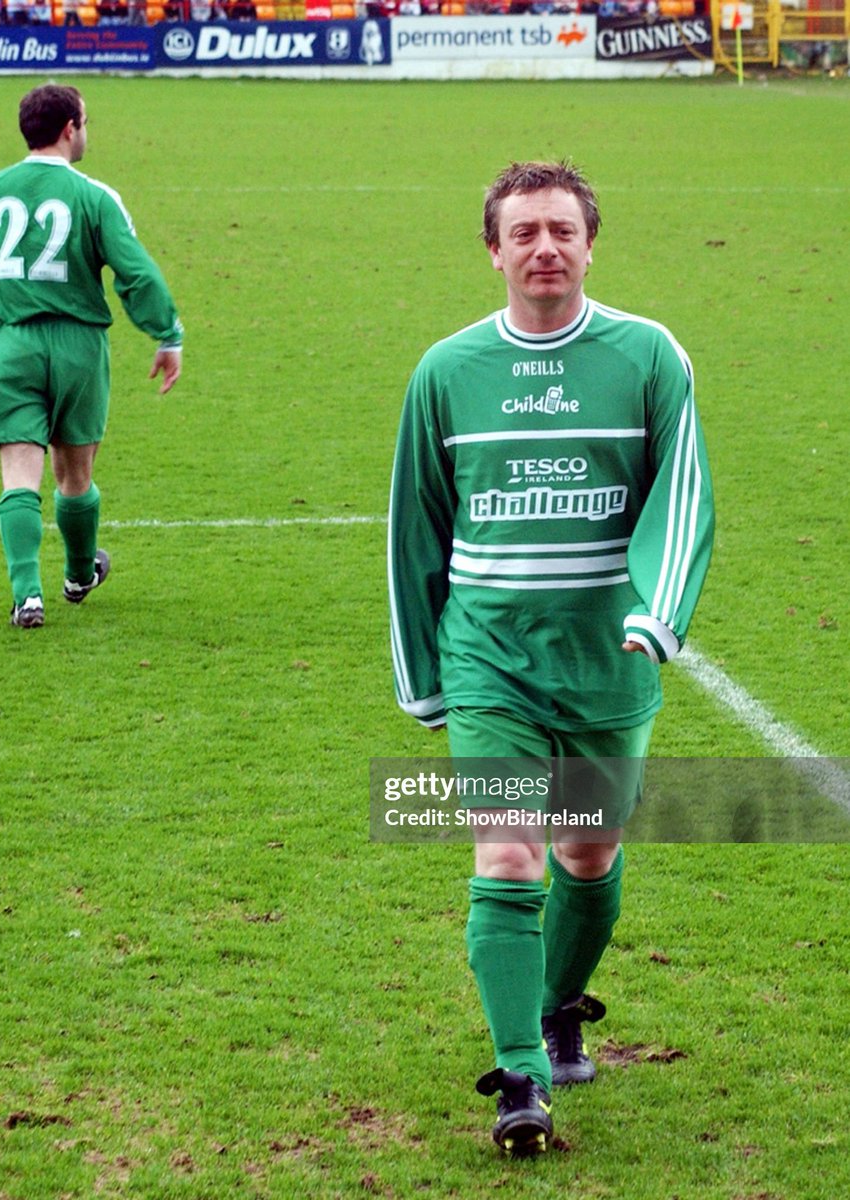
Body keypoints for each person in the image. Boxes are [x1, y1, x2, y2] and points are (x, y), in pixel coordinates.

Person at [388, 161, 714, 1156]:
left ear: (587, 243)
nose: (543, 248)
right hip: (489, 657)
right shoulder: (444, 372)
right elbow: (416, 528)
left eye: (560, 231)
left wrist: (657, 614)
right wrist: (425, 677)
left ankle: (562, 1001)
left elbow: (682, 498)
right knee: (506, 851)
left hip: (606, 662)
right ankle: (518, 1072)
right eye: (522, 231)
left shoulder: (650, 357)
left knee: (585, 851)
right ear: (491, 249)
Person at [0, 84, 183, 629]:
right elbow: (136, 273)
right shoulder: (95, 195)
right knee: (74, 474)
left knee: (18, 474)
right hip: (77, 346)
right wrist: (166, 334)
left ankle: (28, 595)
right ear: (70, 128)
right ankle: (78, 574)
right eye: (86, 121)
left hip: (13, 343)